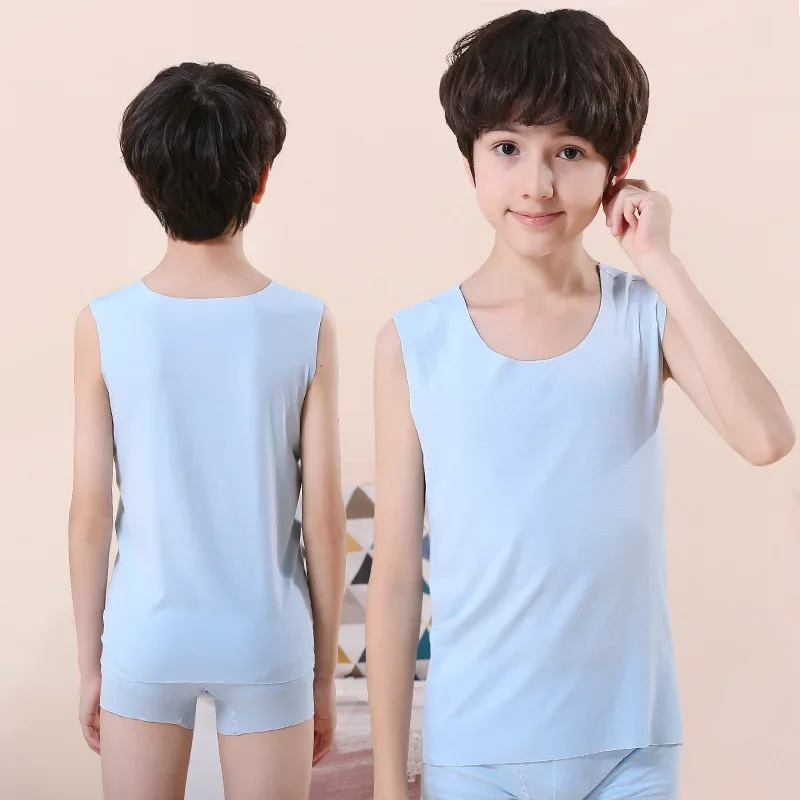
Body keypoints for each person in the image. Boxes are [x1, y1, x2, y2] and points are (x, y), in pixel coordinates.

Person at [366, 10, 795, 800]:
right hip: (475, 751)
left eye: (569, 152)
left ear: (617, 169)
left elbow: (767, 436)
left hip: (629, 749)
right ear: (470, 158)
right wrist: (391, 783)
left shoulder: (645, 316)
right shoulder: (414, 345)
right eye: (507, 148)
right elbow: (395, 581)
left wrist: (658, 260)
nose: (537, 183)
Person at [68, 62, 347, 800]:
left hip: (147, 634)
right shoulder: (306, 323)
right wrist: (322, 678)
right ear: (261, 182)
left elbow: (90, 516)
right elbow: (323, 520)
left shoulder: (104, 325)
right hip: (266, 637)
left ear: (143, 183)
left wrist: (92, 664)